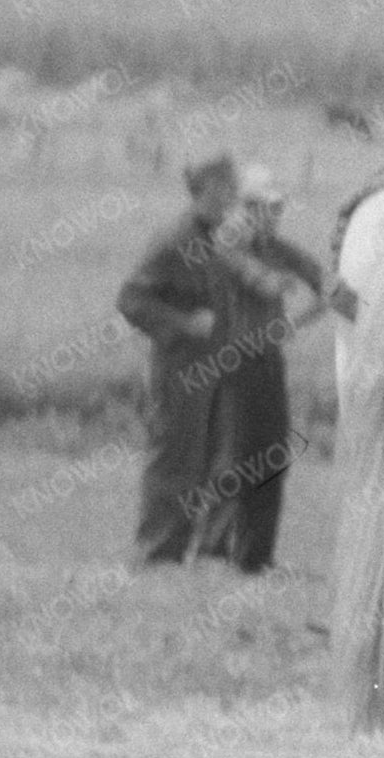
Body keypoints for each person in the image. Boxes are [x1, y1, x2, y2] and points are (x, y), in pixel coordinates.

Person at [115, 155, 254, 566]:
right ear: (206, 187)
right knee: (174, 457)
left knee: (211, 459)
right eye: (227, 186)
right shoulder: (174, 239)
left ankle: (191, 550)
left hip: (215, 368)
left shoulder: (217, 238)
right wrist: (184, 323)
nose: (233, 195)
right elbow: (131, 299)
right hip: (179, 370)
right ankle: (157, 553)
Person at [197, 181, 339, 572]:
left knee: (272, 455)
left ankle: (255, 557)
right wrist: (279, 285)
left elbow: (326, 283)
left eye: (276, 208)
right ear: (243, 208)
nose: (271, 216)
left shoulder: (277, 248)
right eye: (261, 208)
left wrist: (299, 319)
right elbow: (258, 278)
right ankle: (212, 550)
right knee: (231, 455)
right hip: (228, 361)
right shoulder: (225, 243)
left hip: (266, 361)